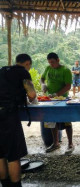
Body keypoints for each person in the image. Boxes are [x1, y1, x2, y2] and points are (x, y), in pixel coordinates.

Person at [0, 54, 36, 187]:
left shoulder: (3, 70)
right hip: (8, 116)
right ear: (27, 63)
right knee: (13, 154)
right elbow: (32, 95)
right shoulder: (22, 72)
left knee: (1, 154)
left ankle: (5, 184)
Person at [41, 52, 74, 154]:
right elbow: (42, 78)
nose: (51, 64)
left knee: (67, 121)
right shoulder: (48, 68)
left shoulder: (65, 70)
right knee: (51, 121)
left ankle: (70, 144)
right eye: (50, 62)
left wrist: (56, 94)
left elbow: (68, 86)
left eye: (53, 62)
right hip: (50, 100)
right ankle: (56, 143)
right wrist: (43, 84)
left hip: (63, 99)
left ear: (58, 60)